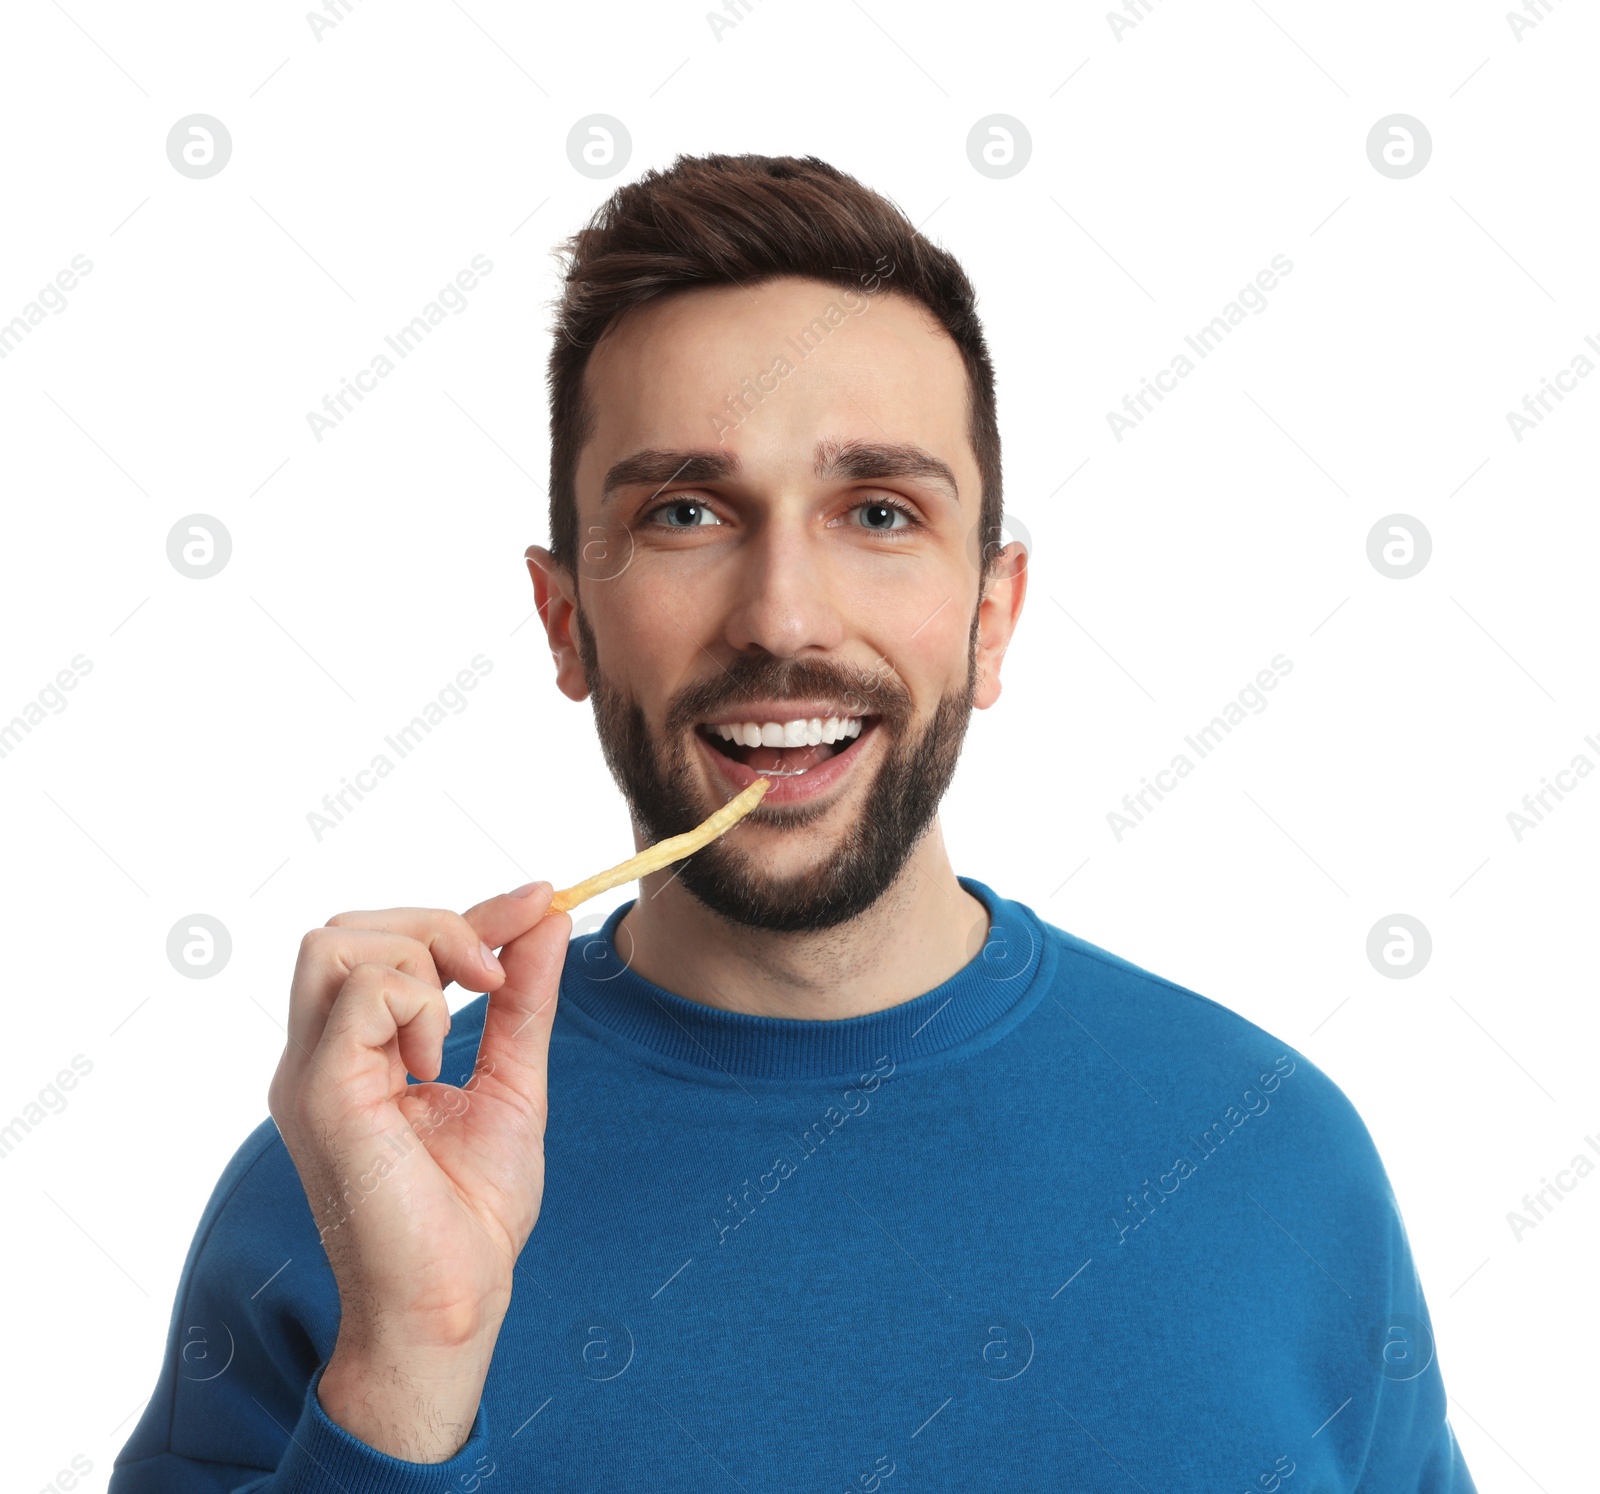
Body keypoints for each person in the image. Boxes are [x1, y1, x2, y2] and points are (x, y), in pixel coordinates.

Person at [111, 152, 1477, 1491]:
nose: (782, 616)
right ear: (565, 617)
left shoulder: (1277, 1162)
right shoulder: (343, 1192)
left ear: (989, 619)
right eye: (687, 510)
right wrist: (410, 1361)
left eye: (877, 511)